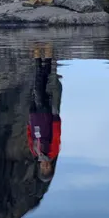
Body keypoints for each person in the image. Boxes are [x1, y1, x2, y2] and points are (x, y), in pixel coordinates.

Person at [27, 45, 62, 182]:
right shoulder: (52, 152)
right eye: (48, 168)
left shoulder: (35, 153)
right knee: (38, 86)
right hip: (45, 116)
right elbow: (56, 135)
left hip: (34, 116)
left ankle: (46, 57)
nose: (45, 166)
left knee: (39, 86)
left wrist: (28, 121)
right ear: (51, 167)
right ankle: (39, 57)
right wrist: (55, 116)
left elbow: (30, 136)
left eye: (43, 169)